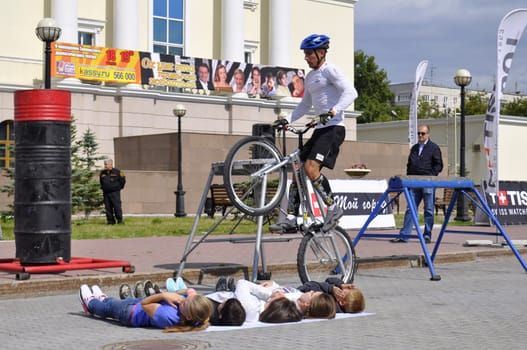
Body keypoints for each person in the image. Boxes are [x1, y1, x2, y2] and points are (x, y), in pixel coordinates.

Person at [270, 34, 358, 233]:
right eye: (305, 53)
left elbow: (351, 92)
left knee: (311, 168)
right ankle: (292, 217)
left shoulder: (330, 70)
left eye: (309, 53)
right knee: (298, 169)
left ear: (321, 53)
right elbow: (304, 105)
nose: (306, 57)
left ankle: (334, 208)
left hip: (334, 128)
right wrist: (287, 119)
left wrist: (333, 111)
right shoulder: (309, 77)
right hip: (320, 128)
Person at [78, 284, 213, 332]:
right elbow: (191, 290)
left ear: (188, 316)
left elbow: (145, 304)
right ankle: (104, 299)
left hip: (131, 313)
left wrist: (164, 295)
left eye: (184, 303)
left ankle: (90, 304)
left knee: (107, 310)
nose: (181, 301)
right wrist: (179, 294)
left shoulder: (167, 316)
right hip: (137, 305)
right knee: (112, 303)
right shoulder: (197, 313)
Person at [391, 124, 443, 243]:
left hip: (428, 182)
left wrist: (431, 175)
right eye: (419, 133)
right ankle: (404, 235)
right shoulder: (414, 148)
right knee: (410, 208)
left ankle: (427, 235)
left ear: (428, 134)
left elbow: (439, 164)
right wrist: (409, 177)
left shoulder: (434, 148)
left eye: (423, 133)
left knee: (429, 209)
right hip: (414, 183)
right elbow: (409, 164)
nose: (420, 135)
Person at [297, 277, 365, 313]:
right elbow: (329, 280)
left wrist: (331, 288)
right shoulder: (336, 301)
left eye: (346, 290)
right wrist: (341, 285)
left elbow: (311, 285)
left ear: (341, 302)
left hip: (298, 297)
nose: (340, 289)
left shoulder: (328, 302)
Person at [99, 159, 126, 225]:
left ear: (111, 164)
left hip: (115, 193)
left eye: (106, 164)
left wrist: (118, 188)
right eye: (104, 164)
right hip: (106, 193)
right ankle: (110, 222)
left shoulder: (118, 172)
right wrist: (103, 188)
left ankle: (120, 221)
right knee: (108, 208)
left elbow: (123, 181)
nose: (105, 166)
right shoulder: (102, 173)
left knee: (117, 207)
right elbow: (101, 182)